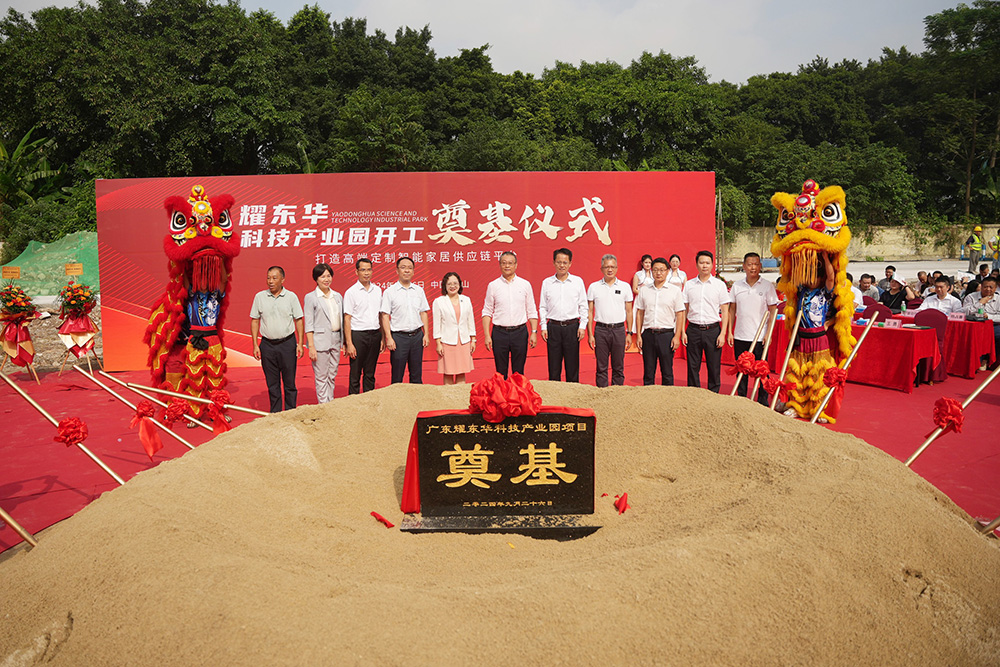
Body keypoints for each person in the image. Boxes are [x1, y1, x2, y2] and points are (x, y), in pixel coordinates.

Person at [250, 266, 304, 412]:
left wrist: (300, 343)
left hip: (287, 344)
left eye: (274, 278)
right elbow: (255, 320)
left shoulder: (291, 297)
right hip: (267, 345)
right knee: (272, 383)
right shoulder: (260, 297)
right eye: (268, 278)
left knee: (289, 383)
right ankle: (276, 414)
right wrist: (255, 345)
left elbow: (299, 320)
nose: (270, 281)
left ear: (282, 279)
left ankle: (291, 412)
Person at [727, 252, 779, 405]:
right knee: (741, 370)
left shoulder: (767, 286)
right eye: (749, 264)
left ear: (760, 266)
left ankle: (762, 401)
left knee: (762, 370)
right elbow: (731, 310)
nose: (753, 267)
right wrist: (730, 331)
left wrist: (768, 333)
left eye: (756, 264)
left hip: (760, 336)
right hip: (741, 335)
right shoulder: (737, 286)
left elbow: (773, 311)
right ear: (744, 266)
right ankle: (742, 399)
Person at [482, 251, 538, 378]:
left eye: (510, 263)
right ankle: (502, 391)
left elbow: (531, 310)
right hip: (499, 333)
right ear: (500, 265)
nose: (507, 266)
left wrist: (534, 332)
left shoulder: (525, 284)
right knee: (500, 372)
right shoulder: (493, 285)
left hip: (520, 332)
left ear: (516, 265)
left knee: (519, 372)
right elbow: (487, 311)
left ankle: (518, 391)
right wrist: (487, 335)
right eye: (504, 263)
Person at [682, 250, 732, 393]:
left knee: (714, 366)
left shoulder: (719, 285)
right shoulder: (689, 285)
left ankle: (713, 394)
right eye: (701, 263)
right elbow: (684, 310)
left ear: (712, 265)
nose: (704, 266)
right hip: (693, 329)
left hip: (713, 330)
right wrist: (683, 331)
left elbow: (725, 311)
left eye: (707, 263)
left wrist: (723, 333)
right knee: (692, 366)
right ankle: (694, 394)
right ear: (696, 264)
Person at [539, 248, 588, 382]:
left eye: (565, 262)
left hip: (572, 327)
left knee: (572, 366)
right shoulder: (547, 282)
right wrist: (543, 327)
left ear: (570, 263)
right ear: (554, 262)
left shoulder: (577, 281)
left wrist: (582, 326)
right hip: (553, 327)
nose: (562, 265)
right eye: (559, 262)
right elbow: (543, 307)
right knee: (554, 366)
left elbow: (583, 305)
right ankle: (555, 393)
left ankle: (573, 392)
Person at [634, 257, 685, 385]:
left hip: (666, 335)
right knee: (648, 371)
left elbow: (680, 314)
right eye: (656, 270)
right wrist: (639, 335)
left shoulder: (675, 291)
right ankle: (648, 395)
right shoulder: (644, 290)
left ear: (667, 271)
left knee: (667, 371)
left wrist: (677, 336)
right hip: (648, 334)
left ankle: (667, 397)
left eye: (662, 270)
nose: (658, 273)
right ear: (651, 271)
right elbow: (640, 313)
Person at [380, 256, 430, 384]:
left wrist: (426, 334)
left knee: (416, 374)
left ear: (413, 271)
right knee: (397, 375)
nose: (407, 270)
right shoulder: (390, 292)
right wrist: (389, 338)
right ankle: (397, 397)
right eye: (403, 268)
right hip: (399, 338)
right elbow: (385, 316)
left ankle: (417, 397)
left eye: (410, 268)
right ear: (397, 270)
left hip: (417, 336)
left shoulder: (419, 290)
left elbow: (423, 312)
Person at [587, 254, 634, 386]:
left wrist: (629, 333)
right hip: (601, 330)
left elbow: (629, 311)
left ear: (617, 268)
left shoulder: (625, 287)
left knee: (618, 366)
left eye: (613, 267)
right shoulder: (594, 287)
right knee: (601, 366)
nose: (610, 269)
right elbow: (589, 312)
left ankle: (617, 393)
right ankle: (602, 393)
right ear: (601, 269)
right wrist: (590, 334)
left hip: (619, 330)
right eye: (606, 267)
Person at [303, 263, 344, 404]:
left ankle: (330, 402)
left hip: (335, 338)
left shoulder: (337, 296)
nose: (326, 279)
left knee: (332, 374)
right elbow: (309, 323)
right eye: (322, 277)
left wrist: (344, 341)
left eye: (328, 276)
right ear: (316, 279)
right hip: (319, 341)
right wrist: (311, 346)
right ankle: (323, 405)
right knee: (321, 376)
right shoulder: (311, 297)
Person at [343, 258, 383, 394]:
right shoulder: (351, 292)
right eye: (363, 270)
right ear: (357, 272)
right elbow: (347, 318)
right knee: (355, 373)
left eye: (369, 270)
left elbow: (380, 315)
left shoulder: (377, 290)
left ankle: (369, 401)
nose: (366, 273)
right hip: (358, 335)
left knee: (370, 372)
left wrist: (382, 337)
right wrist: (349, 343)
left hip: (375, 334)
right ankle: (354, 403)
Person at [432, 272, 476, 385]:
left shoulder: (466, 300)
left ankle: (460, 395)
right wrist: (438, 343)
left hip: (464, 341)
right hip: (447, 342)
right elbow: (437, 324)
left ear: (460, 285)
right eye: (449, 284)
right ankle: (448, 395)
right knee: (448, 372)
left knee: (462, 371)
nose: (453, 286)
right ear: (445, 286)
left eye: (455, 283)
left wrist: (473, 340)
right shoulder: (439, 302)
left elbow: (470, 320)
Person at [964, 276, 1000, 370]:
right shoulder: (971, 297)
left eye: (991, 287)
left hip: (992, 325)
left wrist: (989, 317)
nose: (988, 289)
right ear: (981, 286)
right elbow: (964, 312)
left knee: (998, 335)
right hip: (974, 325)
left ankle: (990, 360)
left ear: (995, 288)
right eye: (985, 287)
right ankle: (977, 361)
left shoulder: (999, 299)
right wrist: (980, 303)